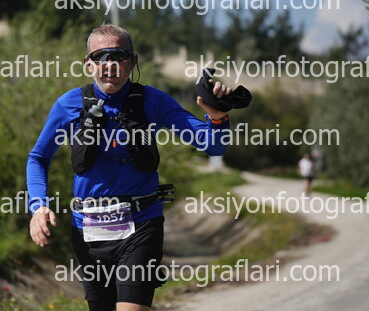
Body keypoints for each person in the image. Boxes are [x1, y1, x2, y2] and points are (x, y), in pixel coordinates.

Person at [26, 24, 233, 311]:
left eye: (119, 55)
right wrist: (38, 206)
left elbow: (213, 146)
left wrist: (218, 118)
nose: (109, 64)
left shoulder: (154, 101)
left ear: (133, 62)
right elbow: (38, 157)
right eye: (100, 56)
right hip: (88, 232)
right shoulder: (69, 104)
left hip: (141, 225)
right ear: (88, 63)